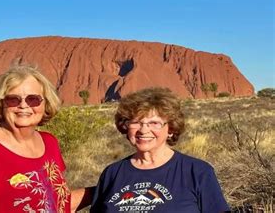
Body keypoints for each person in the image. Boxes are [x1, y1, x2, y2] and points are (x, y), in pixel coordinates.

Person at [0, 64, 91, 213]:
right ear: (1, 103)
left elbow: (60, 203)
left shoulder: (50, 143)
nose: (23, 105)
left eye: (33, 99)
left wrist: (105, 187)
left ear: (45, 103)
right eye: (13, 100)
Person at [90, 87, 230, 213]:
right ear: (126, 127)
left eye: (154, 123)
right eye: (136, 122)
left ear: (171, 129)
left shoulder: (197, 171)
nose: (144, 130)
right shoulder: (112, 173)